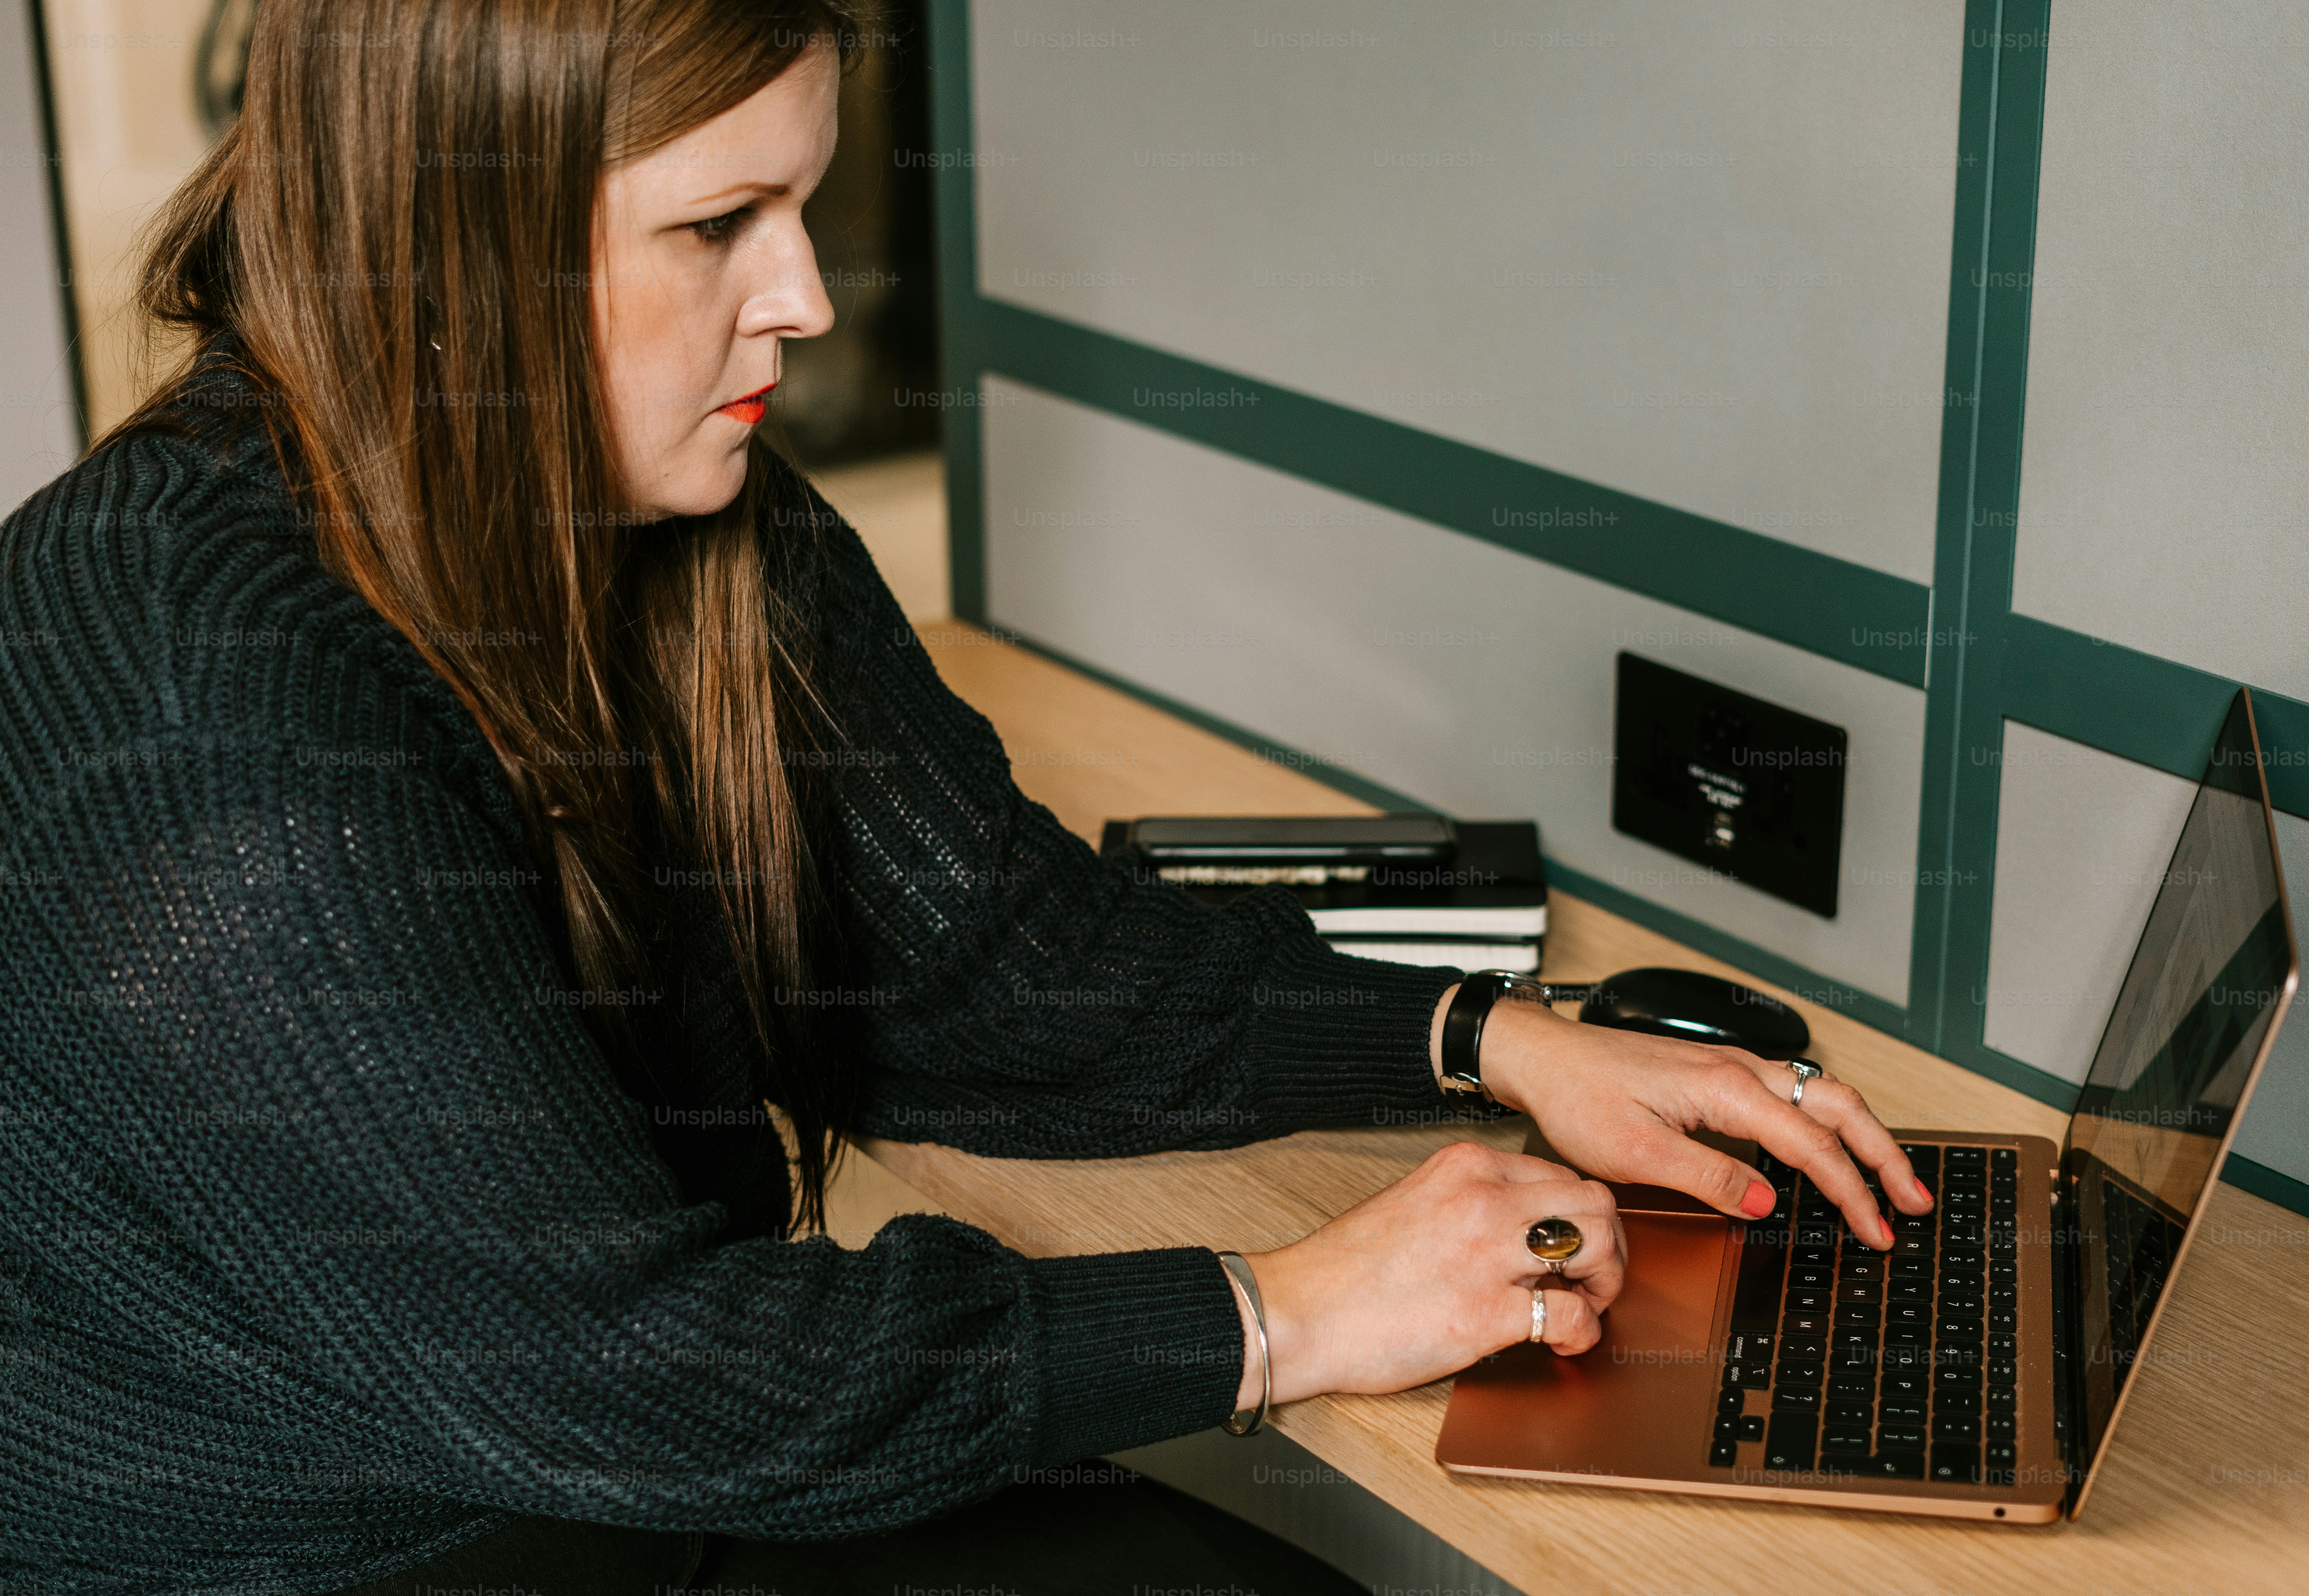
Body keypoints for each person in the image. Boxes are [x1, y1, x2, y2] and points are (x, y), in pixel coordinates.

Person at [0, 3, 1929, 1591]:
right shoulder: (201, 707)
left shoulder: (675, 513)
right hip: (334, 1545)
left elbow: (980, 972)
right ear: (453, 237)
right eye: (715, 225)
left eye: (805, 207)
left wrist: (1491, 1037)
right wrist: (1285, 1312)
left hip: (598, 1462)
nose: (805, 301)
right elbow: (618, 1378)